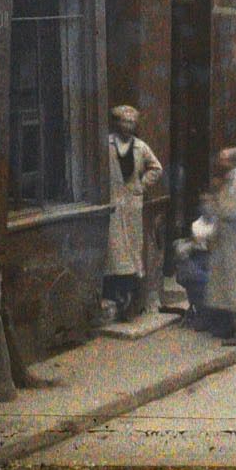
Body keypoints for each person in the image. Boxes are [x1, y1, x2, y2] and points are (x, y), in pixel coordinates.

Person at [192, 146, 236, 345]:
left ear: (233, 162)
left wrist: (213, 203)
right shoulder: (230, 181)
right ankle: (229, 327)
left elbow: (234, 211)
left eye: (223, 159)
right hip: (228, 244)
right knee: (228, 287)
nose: (219, 162)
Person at [103, 104, 163, 321]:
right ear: (116, 123)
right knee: (114, 249)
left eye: (131, 123)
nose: (127, 126)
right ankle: (115, 298)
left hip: (132, 204)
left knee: (132, 250)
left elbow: (156, 168)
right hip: (112, 203)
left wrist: (141, 184)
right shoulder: (107, 144)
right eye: (123, 122)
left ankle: (130, 300)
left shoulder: (140, 147)